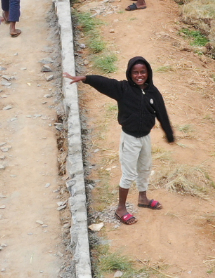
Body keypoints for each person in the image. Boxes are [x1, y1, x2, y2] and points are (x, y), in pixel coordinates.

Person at [66, 56, 173, 226]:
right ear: (130, 74)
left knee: (145, 168)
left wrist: (169, 134)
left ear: (148, 72)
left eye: (142, 72)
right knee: (129, 173)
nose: (139, 75)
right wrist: (86, 79)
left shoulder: (153, 92)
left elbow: (162, 113)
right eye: (135, 72)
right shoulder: (122, 89)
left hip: (145, 138)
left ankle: (143, 197)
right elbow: (105, 83)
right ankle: (121, 208)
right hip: (130, 139)